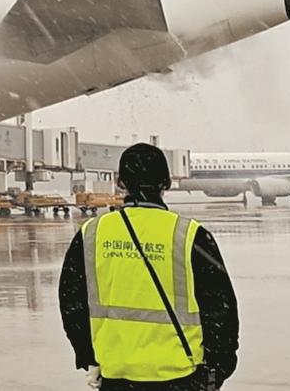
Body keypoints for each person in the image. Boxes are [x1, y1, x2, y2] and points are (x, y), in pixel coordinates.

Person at [59, 144, 239, 390]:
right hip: (181, 377)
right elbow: (221, 309)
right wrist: (217, 368)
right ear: (166, 182)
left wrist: (88, 356)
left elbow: (72, 304)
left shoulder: (91, 233)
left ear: (121, 183)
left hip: (117, 377)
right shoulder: (190, 235)